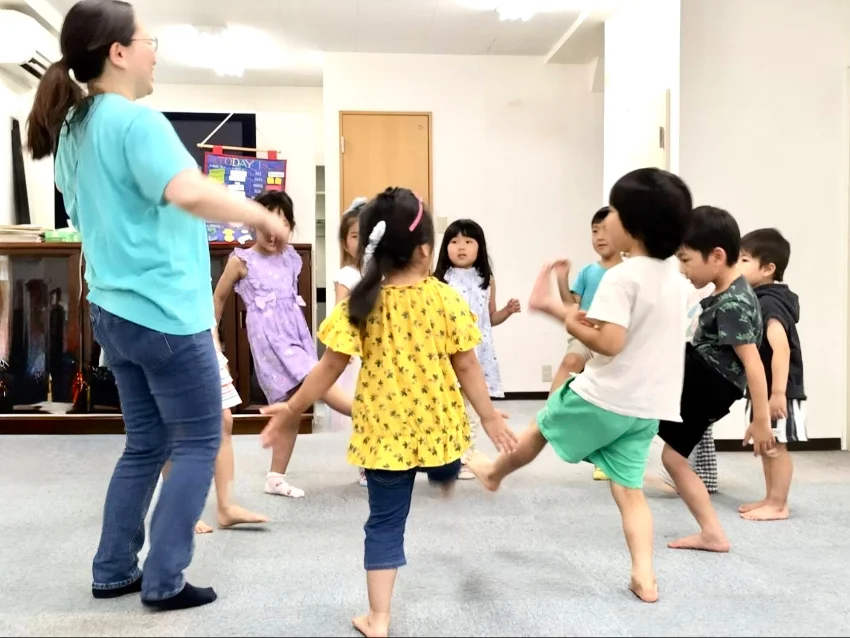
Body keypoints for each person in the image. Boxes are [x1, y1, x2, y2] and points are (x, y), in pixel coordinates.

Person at [27, 0, 288, 610]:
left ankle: (114, 568)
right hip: (166, 314)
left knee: (146, 443)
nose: (155, 52)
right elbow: (188, 192)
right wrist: (257, 212)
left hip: (113, 314)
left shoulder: (73, 128)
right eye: (148, 41)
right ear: (118, 52)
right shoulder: (136, 122)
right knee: (199, 441)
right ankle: (165, 580)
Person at [260, 187, 517, 637]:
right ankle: (452, 469)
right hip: (438, 427)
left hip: (385, 436)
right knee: (445, 462)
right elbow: (467, 364)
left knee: (383, 523)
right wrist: (491, 417)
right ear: (425, 250)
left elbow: (327, 369)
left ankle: (378, 618)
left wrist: (292, 408)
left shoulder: (361, 302)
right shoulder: (444, 299)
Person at [467, 168, 693, 603]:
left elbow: (609, 342)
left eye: (614, 213)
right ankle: (644, 576)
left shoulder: (621, 277)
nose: (606, 220)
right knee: (629, 491)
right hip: (648, 407)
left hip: (606, 395)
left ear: (633, 226)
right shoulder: (675, 277)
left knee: (543, 424)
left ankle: (494, 473)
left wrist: (558, 311)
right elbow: (645, 330)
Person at [214, 190, 352, 499]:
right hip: (270, 347)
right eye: (267, 226)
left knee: (293, 407)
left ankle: (275, 477)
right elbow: (220, 298)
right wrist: (213, 338)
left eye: (283, 225)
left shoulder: (291, 258)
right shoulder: (241, 260)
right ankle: (372, 415)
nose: (274, 235)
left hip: (297, 338)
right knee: (320, 388)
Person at [663, 206, 775, 553]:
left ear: (716, 256)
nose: (683, 270)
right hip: (709, 380)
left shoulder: (733, 302)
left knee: (650, 370)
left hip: (710, 380)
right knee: (673, 457)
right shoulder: (729, 292)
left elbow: (753, 362)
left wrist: (761, 420)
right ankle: (711, 532)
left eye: (686, 260)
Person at [434, 219, 520, 479]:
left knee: (472, 408)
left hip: (477, 354)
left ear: (479, 247)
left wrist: (506, 311)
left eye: (469, 241)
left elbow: (489, 318)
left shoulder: (487, 280)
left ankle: (466, 456)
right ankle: (444, 455)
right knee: (447, 406)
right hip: (447, 354)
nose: (461, 247)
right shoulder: (440, 281)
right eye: (455, 241)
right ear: (445, 247)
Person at [550, 206, 623, 481]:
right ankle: (551, 412)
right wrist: (561, 279)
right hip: (585, 335)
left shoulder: (627, 273)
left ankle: (604, 458)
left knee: (606, 401)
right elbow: (571, 305)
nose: (599, 237)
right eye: (595, 231)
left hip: (614, 341)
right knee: (571, 361)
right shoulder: (588, 271)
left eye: (606, 231)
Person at [737, 228, 805, 521]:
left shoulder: (769, 303)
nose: (736, 266)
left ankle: (779, 503)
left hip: (780, 391)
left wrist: (778, 393)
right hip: (763, 389)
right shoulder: (758, 298)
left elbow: (782, 350)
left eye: (743, 260)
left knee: (776, 446)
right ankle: (770, 497)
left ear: (768, 268)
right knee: (766, 445)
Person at [180, 326, 268, 534]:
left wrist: (218, 355)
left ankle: (226, 506)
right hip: (173, 333)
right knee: (178, 426)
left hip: (203, 336)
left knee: (223, 420)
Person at [331, 197, 368, 486]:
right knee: (363, 410)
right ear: (345, 243)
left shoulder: (382, 272)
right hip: (358, 353)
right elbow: (341, 311)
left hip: (380, 349)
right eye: (356, 236)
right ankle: (365, 463)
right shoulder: (348, 274)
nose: (362, 241)